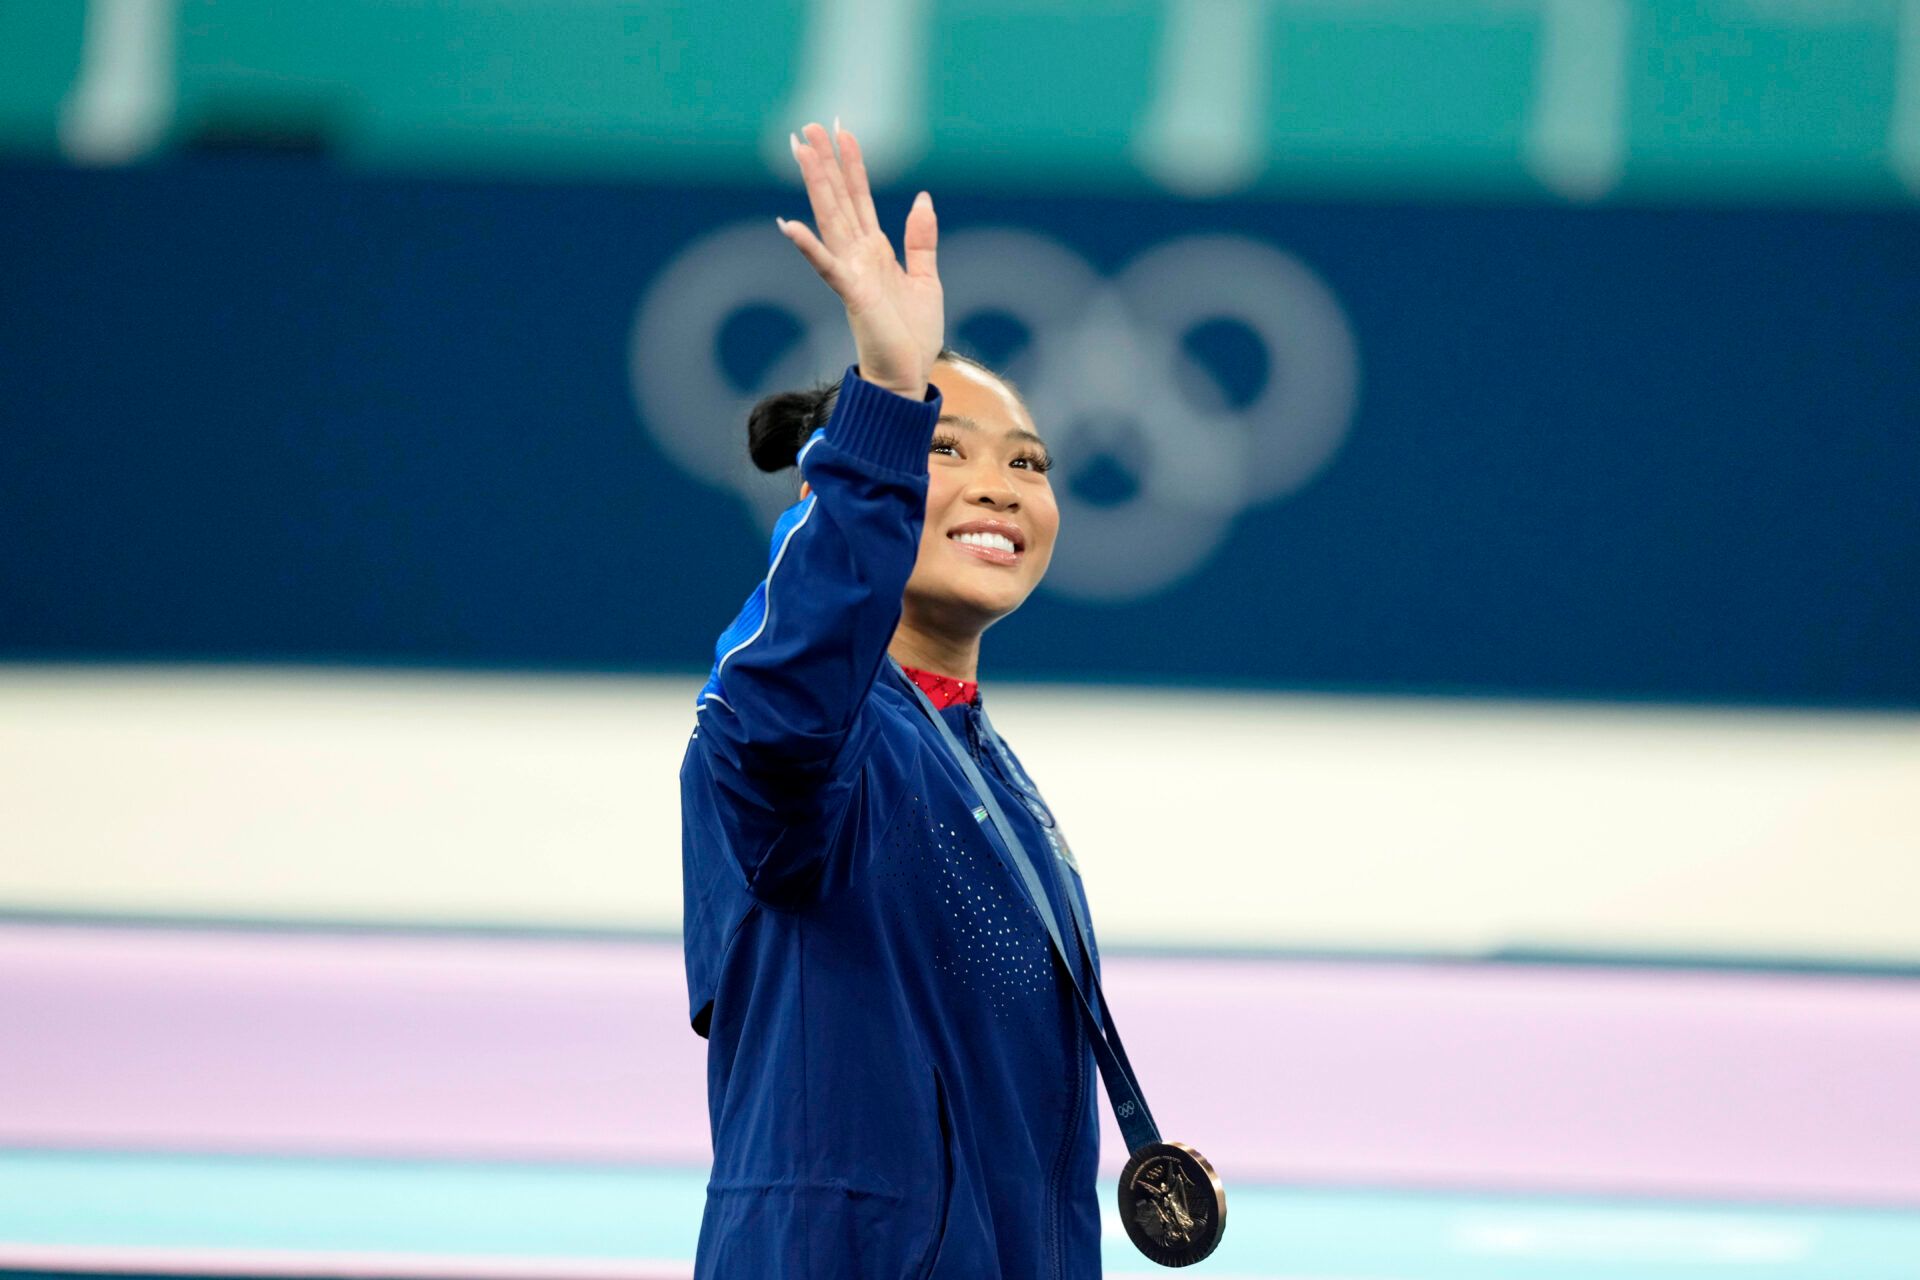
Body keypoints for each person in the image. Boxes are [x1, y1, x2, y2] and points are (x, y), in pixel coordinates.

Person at [679, 121, 1103, 1278]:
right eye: (945, 450)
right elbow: (781, 705)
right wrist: (884, 391)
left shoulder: (982, 766)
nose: (998, 487)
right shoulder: (807, 735)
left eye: (1028, 462)